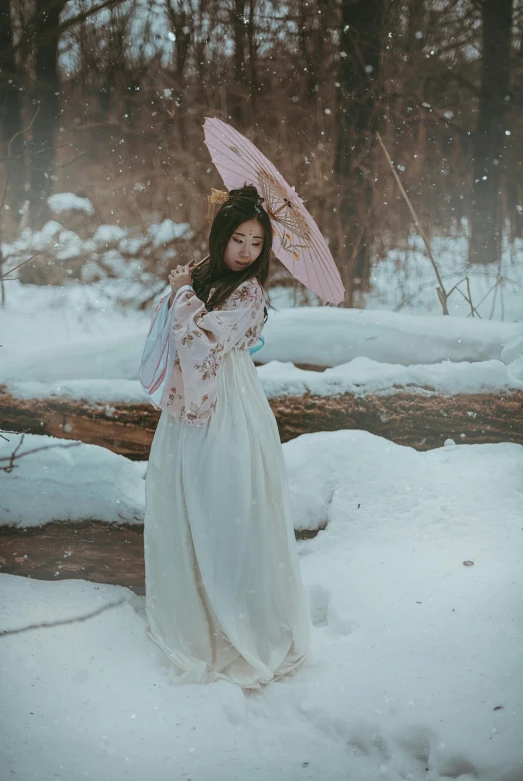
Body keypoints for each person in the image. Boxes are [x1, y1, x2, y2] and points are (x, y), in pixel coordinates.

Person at [142, 185, 312, 690]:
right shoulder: (205, 278)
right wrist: (182, 290)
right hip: (189, 407)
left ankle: (240, 616)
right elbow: (174, 334)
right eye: (237, 238)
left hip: (228, 404)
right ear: (221, 238)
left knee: (227, 500)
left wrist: (182, 296)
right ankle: (197, 608)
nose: (245, 251)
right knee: (188, 497)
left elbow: (209, 339)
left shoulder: (250, 293)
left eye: (257, 243)